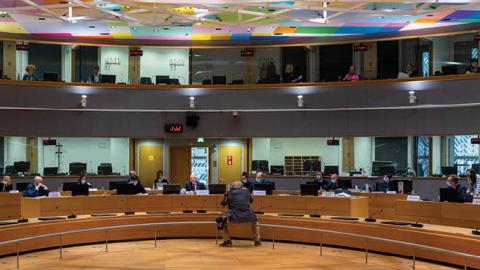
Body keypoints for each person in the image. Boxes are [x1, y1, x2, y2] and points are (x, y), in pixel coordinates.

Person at [218, 181, 261, 247]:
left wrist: (226, 194)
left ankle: (227, 241)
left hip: (234, 217)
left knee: (220, 221)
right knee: (255, 222)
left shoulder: (228, 193)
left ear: (232, 187)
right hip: (249, 216)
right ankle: (257, 241)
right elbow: (251, 201)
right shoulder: (247, 192)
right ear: (242, 187)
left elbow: (223, 203)